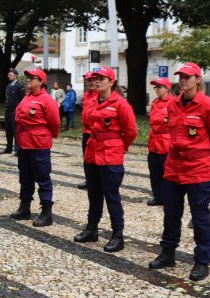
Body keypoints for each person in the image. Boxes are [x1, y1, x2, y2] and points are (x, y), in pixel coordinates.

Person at [148, 63, 210, 281]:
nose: (183, 80)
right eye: (181, 76)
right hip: (174, 167)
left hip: (198, 169)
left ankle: (202, 261)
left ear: (198, 80)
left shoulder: (209, 106)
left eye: (187, 77)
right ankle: (168, 253)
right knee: (171, 213)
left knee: (200, 217)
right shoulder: (173, 104)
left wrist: (209, 160)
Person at [73, 66, 137, 253]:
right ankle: (92, 228)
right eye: (96, 78)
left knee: (111, 196)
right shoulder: (93, 101)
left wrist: (118, 146)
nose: (98, 81)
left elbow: (131, 131)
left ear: (111, 82)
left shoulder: (120, 104)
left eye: (102, 78)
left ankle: (118, 234)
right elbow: (88, 125)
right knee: (93, 193)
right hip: (93, 151)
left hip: (110, 155)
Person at [9, 68, 60, 226]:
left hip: (38, 143)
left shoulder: (46, 99)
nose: (28, 79)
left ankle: (46, 212)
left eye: (32, 77)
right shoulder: (26, 97)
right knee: (25, 177)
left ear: (41, 81)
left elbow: (55, 123)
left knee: (43, 177)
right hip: (24, 142)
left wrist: (44, 135)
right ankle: (25, 207)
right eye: (27, 77)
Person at [146, 78, 173, 206]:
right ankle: (158, 197)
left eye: (159, 87)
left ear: (167, 88)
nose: (156, 89)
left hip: (166, 143)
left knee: (167, 173)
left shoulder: (174, 103)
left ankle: (168, 197)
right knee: (154, 172)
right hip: (154, 142)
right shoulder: (155, 102)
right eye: (155, 87)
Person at [77, 72, 98, 190]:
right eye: (89, 80)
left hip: (94, 133)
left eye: (94, 80)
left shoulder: (99, 95)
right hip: (86, 131)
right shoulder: (86, 95)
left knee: (95, 158)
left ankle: (95, 181)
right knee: (86, 157)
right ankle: (89, 179)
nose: (91, 82)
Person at [3, 68, 25, 155]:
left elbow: (23, 99)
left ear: (16, 76)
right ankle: (8, 148)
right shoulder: (8, 86)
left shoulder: (20, 86)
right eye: (8, 75)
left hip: (15, 111)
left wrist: (19, 110)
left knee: (15, 130)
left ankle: (17, 149)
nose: (9, 76)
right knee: (8, 130)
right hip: (8, 110)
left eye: (10, 75)